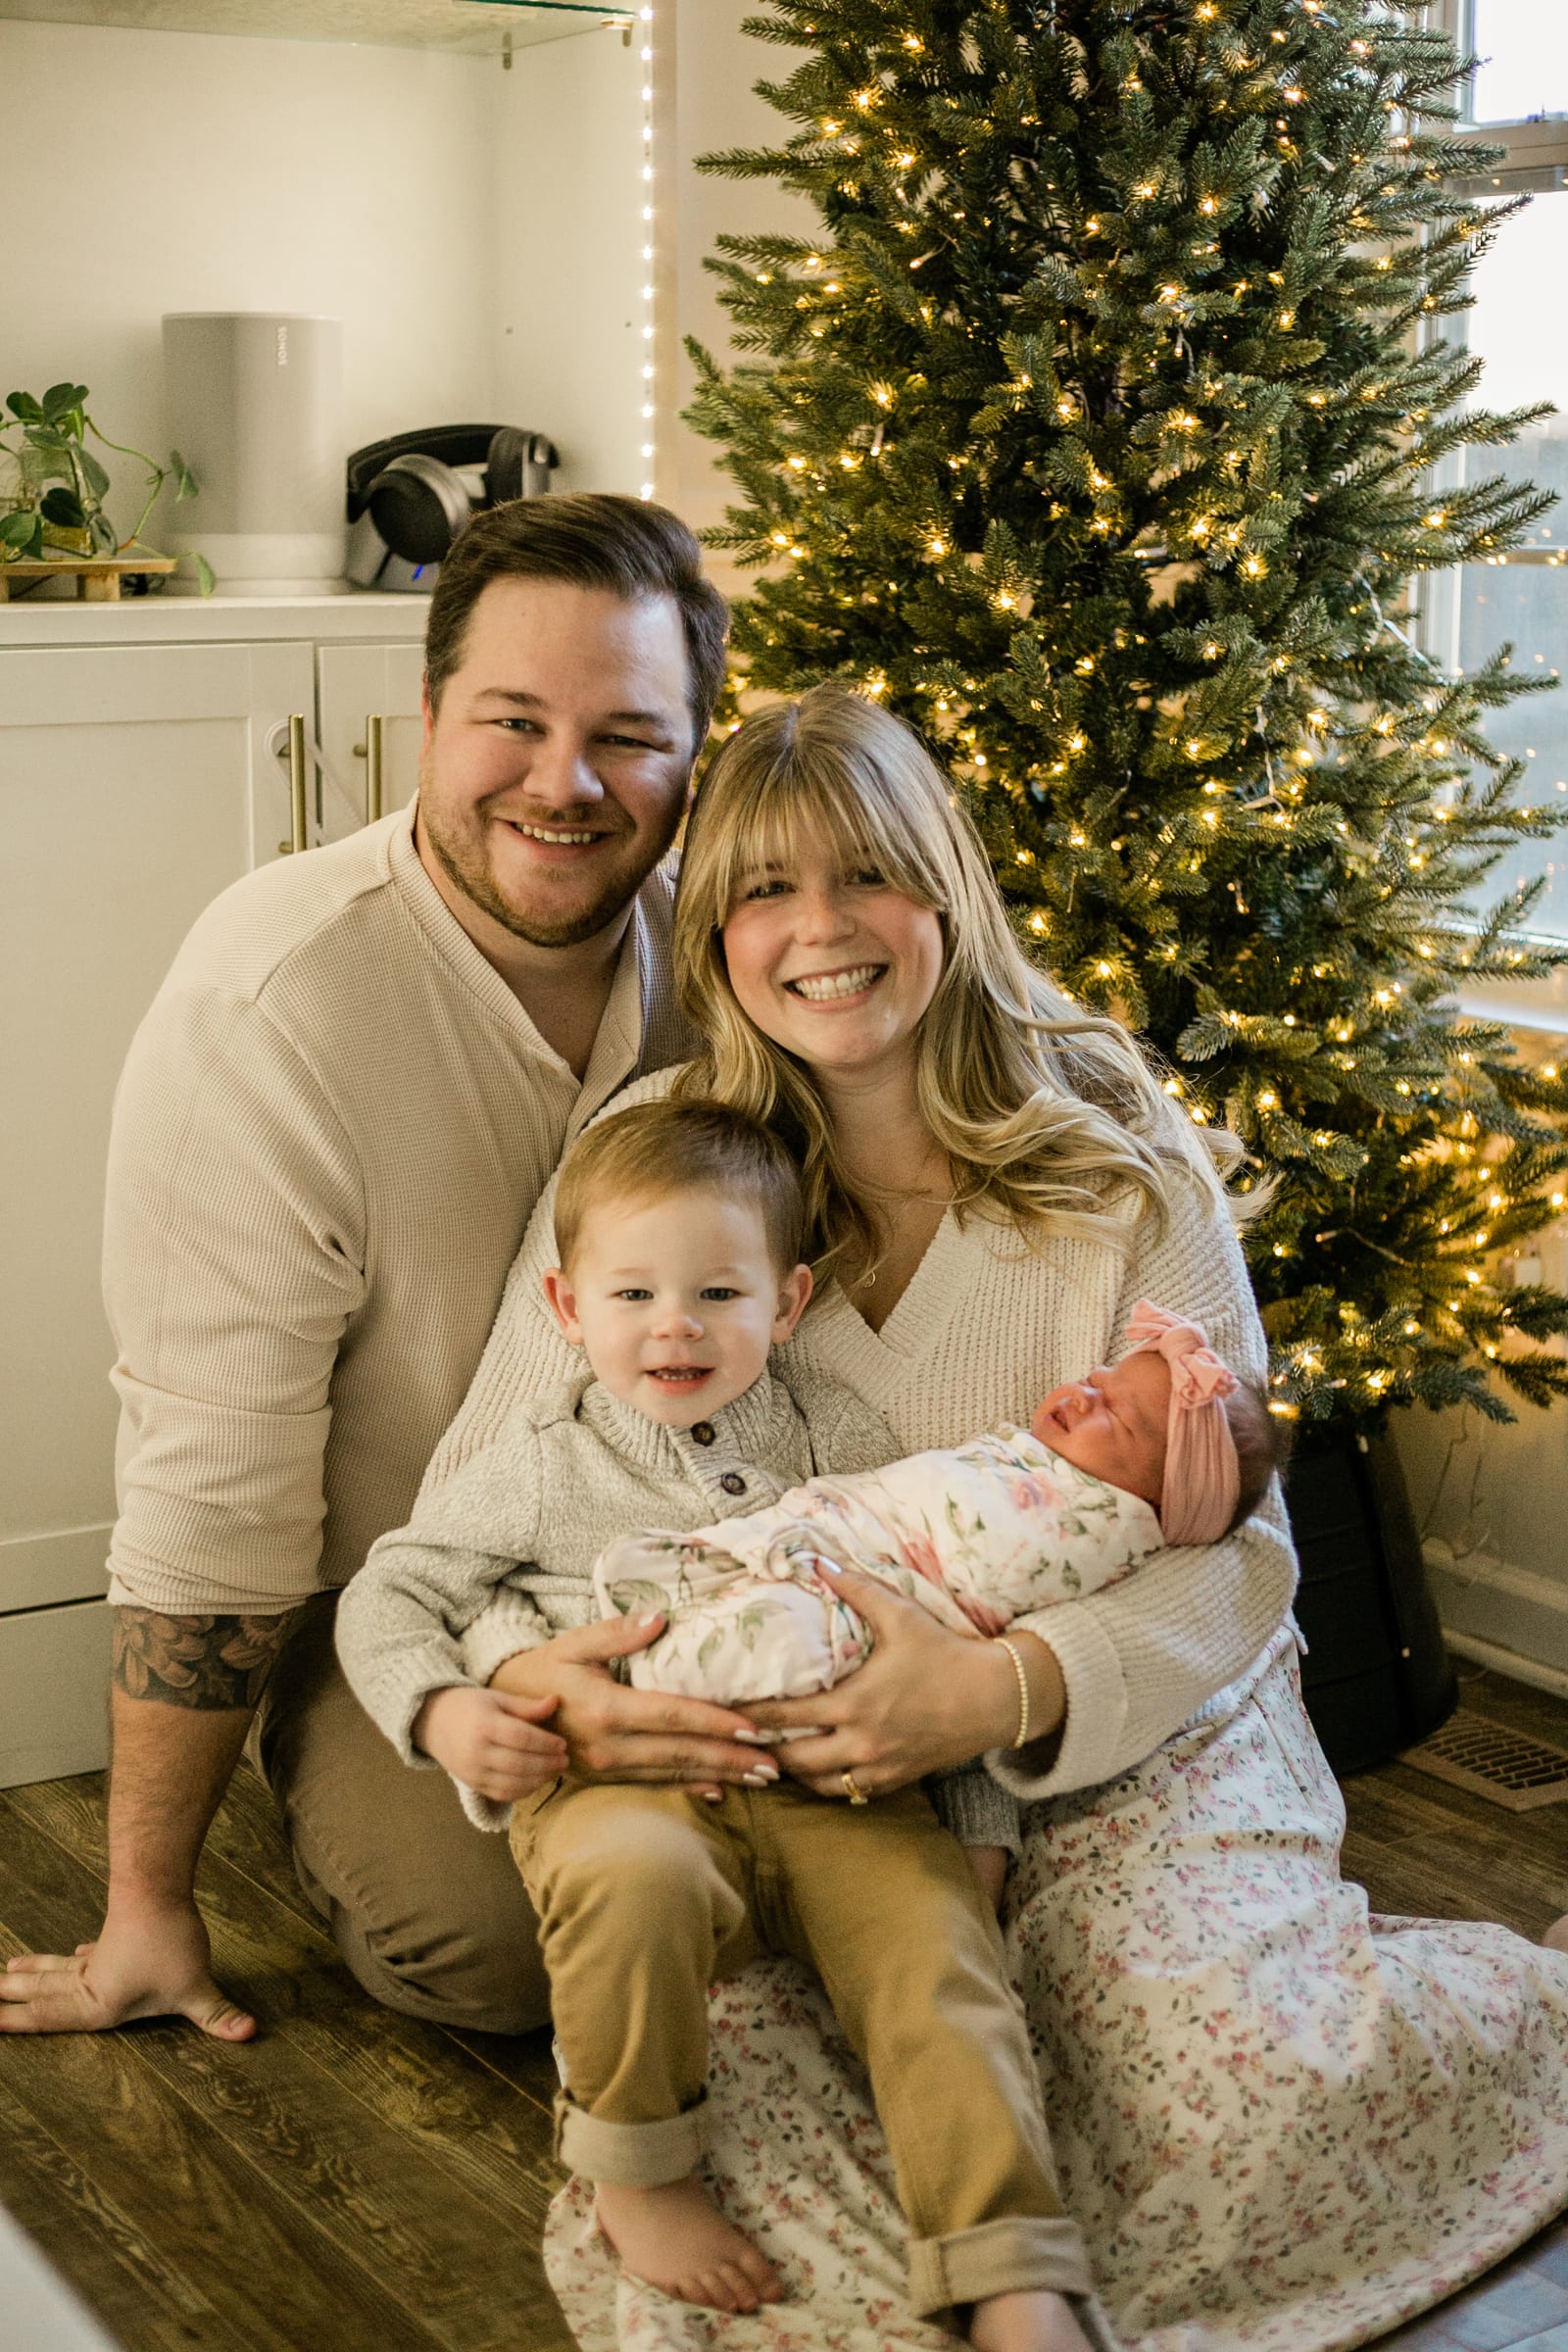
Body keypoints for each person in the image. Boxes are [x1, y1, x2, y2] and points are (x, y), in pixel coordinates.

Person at [422, 683, 1568, 2351]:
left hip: (1134, 1714)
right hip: (791, 1753)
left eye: (864, 877)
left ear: (945, 887)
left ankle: (1518, 2016)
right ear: (712, 925)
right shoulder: (658, 1162)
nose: (817, 931)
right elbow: (486, 1515)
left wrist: (1000, 1689)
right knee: (796, 2168)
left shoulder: (1116, 1147)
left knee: (1204, 2101)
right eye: (759, 891)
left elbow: (1245, 1558)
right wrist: (560, 1687)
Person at [0, 494, 785, 2045]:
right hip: (396, 1594)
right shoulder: (276, 1004)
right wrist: (146, 1907)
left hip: (699, 1543)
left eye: (630, 736)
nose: (565, 784)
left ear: (700, 756)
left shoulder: (730, 947)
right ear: (423, 720)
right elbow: (211, 1492)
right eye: (513, 722)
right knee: (493, 1957)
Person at [337, 1097, 1106, 2350]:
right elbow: (393, 1591)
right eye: (630, 1296)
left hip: (840, 1790)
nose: (675, 1326)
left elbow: (937, 1614)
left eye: (717, 1293)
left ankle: (1007, 2257)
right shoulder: (542, 1461)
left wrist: (977, 1828)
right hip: (620, 1788)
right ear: (565, 1308)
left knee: (942, 1963)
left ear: (788, 1305)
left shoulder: (841, 1442)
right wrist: (446, 1711)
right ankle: (641, 2173)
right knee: (625, 1881)